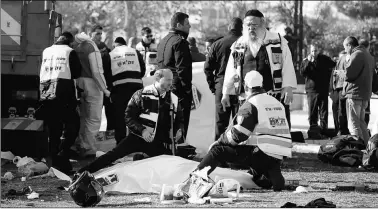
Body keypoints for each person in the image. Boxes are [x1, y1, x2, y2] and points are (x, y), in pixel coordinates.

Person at [188, 71, 292, 192]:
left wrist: (220, 141)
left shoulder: (251, 104)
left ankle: (195, 179)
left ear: (246, 86)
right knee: (260, 178)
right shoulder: (277, 102)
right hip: (278, 155)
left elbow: (239, 134)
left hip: (262, 152)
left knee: (217, 151)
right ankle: (270, 178)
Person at [77, 69, 184, 174]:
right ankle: (83, 172)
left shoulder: (173, 99)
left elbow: (179, 119)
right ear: (157, 79)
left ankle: (141, 159)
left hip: (157, 141)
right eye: (168, 80)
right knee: (113, 155)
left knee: (171, 165)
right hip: (137, 137)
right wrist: (142, 131)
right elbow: (129, 117)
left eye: (171, 79)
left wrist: (179, 130)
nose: (171, 83)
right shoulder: (141, 94)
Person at [221, 10, 297, 129]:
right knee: (245, 128)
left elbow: (287, 63)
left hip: (272, 95)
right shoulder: (238, 44)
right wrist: (226, 93)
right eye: (248, 25)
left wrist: (288, 87)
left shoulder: (277, 40)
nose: (251, 28)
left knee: (275, 127)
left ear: (263, 23)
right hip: (246, 97)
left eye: (254, 25)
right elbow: (232, 70)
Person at [38, 32, 81, 173]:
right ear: (69, 42)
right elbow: (76, 73)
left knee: (54, 129)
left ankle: (54, 162)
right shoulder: (69, 51)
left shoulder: (46, 51)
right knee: (72, 125)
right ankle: (63, 155)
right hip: (64, 91)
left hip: (46, 91)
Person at [71, 32, 110, 157]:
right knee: (93, 118)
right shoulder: (91, 47)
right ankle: (88, 148)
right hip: (93, 84)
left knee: (82, 117)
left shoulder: (76, 47)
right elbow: (96, 71)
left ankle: (79, 145)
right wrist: (105, 89)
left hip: (78, 83)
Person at [204, 17, 243, 141]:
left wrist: (213, 87)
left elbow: (207, 68)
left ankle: (218, 152)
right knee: (241, 123)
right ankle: (240, 152)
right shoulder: (245, 43)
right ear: (241, 28)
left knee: (220, 124)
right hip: (240, 86)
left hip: (221, 85)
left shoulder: (217, 44)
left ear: (229, 28)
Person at [157, 12, 192, 139]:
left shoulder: (162, 41)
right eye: (187, 24)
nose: (190, 26)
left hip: (161, 89)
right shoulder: (180, 42)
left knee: (165, 122)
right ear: (178, 25)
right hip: (178, 89)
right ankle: (179, 148)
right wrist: (187, 89)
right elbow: (183, 69)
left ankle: (166, 149)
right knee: (180, 123)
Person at [107, 37, 145, 144]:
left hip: (119, 89)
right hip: (136, 88)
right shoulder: (135, 52)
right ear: (125, 44)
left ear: (115, 45)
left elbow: (107, 74)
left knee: (120, 117)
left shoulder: (111, 54)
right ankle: (138, 142)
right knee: (136, 115)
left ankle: (121, 143)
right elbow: (142, 70)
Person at [343, 36, 374, 144]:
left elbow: (349, 74)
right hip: (364, 95)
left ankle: (358, 150)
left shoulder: (356, 54)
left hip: (354, 94)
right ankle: (367, 149)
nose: (345, 51)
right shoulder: (368, 55)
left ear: (349, 45)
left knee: (353, 124)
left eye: (345, 47)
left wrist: (343, 71)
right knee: (362, 123)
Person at [300, 43, 336, 138]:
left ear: (318, 50)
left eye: (315, 50)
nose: (314, 53)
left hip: (323, 90)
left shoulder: (324, 59)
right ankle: (313, 131)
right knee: (312, 112)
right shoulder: (305, 61)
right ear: (310, 51)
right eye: (312, 51)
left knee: (323, 112)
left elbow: (334, 65)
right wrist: (308, 62)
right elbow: (303, 72)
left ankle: (324, 131)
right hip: (311, 90)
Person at [90, 25, 115, 139]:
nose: (100, 36)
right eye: (97, 34)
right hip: (93, 84)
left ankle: (109, 133)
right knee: (95, 113)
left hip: (106, 83)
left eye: (101, 34)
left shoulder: (104, 47)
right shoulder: (88, 46)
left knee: (110, 110)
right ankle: (94, 135)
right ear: (91, 34)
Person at [358, 39, 378, 127]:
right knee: (365, 113)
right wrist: (375, 89)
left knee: (356, 116)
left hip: (355, 91)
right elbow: (373, 75)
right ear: (368, 46)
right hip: (366, 91)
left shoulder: (355, 56)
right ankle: (364, 133)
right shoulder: (370, 58)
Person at [329, 51, 349, 135]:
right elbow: (331, 79)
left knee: (342, 112)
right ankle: (337, 129)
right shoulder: (335, 66)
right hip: (335, 93)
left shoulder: (346, 67)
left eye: (342, 58)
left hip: (343, 92)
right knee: (335, 111)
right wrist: (330, 91)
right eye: (339, 58)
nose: (340, 60)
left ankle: (343, 131)